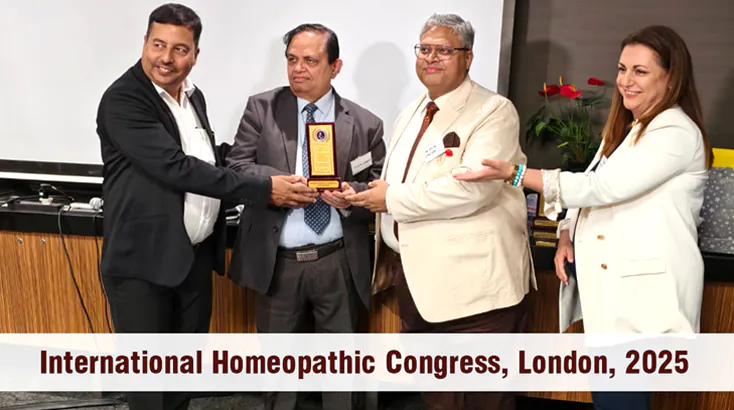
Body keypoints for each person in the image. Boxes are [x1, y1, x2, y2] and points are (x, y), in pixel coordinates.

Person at [455, 25, 713, 410]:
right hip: (614, 296)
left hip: (641, 298)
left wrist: (516, 174)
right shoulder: (629, 129)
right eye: (622, 69)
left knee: (620, 402)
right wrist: (566, 235)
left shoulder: (674, 130)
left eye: (640, 71)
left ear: (671, 77)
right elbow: (589, 192)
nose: (625, 80)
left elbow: (602, 188)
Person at [95, 4, 317, 410]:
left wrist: (270, 164)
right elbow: (177, 168)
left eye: (179, 49)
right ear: (144, 43)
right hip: (142, 265)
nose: (166, 57)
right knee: (150, 386)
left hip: (192, 259)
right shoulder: (124, 100)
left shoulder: (192, 96)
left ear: (195, 54)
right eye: (158, 45)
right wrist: (264, 188)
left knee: (183, 375)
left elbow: (210, 159)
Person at [344, 13, 535, 410]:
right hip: (419, 281)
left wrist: (390, 200)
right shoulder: (414, 110)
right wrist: (359, 195)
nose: (431, 58)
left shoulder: (493, 110)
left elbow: (472, 190)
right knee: (438, 397)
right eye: (425, 49)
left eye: (444, 50)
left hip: (476, 290)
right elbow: (403, 181)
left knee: (483, 399)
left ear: (468, 57)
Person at [225, 23, 385, 410]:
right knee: (279, 373)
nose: (298, 69)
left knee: (341, 369)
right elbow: (236, 166)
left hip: (337, 260)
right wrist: (275, 184)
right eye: (292, 59)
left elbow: (378, 182)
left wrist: (351, 195)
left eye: (311, 61)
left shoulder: (365, 122)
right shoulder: (262, 108)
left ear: (335, 67)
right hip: (279, 262)